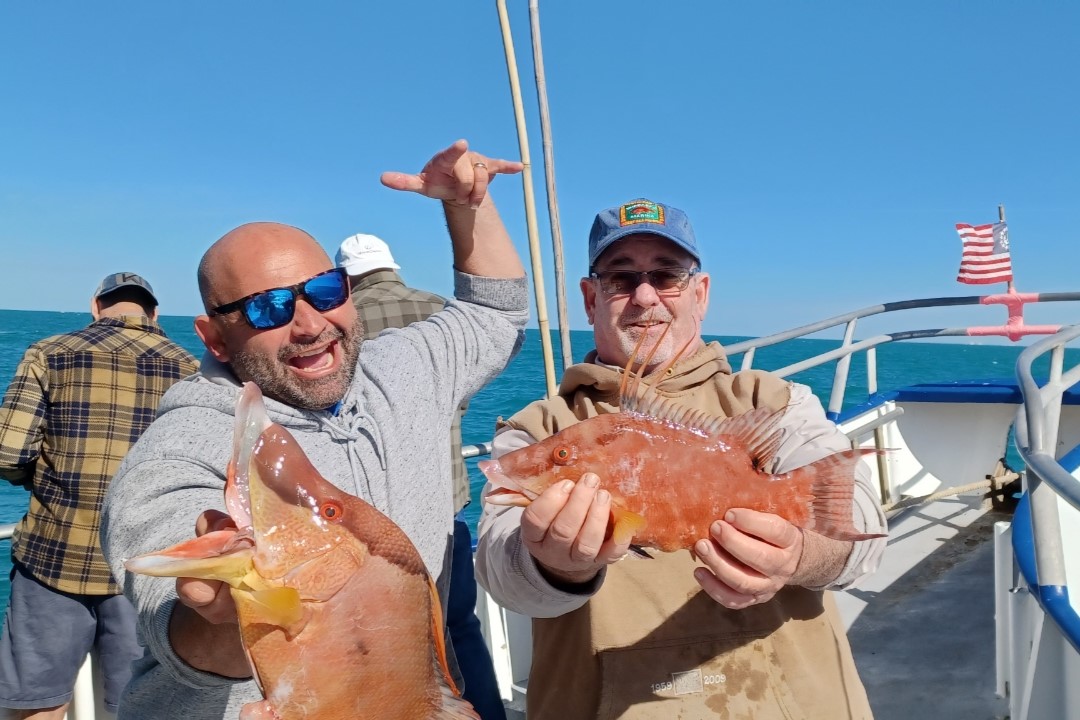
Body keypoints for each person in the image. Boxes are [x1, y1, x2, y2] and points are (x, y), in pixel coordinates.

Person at [99, 139, 528, 719]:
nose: (309, 324)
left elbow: (494, 312)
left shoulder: (402, 370)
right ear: (214, 337)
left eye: (326, 291)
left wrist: (466, 206)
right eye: (268, 308)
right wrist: (221, 614)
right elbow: (173, 627)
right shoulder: (185, 447)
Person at [474, 198, 888, 719]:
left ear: (701, 292)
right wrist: (553, 564)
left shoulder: (773, 403)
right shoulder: (537, 429)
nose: (644, 297)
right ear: (589, 297)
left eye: (666, 275)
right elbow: (499, 568)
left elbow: (864, 530)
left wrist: (799, 555)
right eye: (620, 279)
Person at [0, 273, 199, 719]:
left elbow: (8, 451)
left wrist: (40, 480)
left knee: (39, 702)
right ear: (154, 313)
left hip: (53, 558)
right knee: (138, 704)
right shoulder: (189, 368)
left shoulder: (49, 353)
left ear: (96, 306)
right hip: (147, 567)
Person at [336, 233, 506, 719]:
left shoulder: (341, 324)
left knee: (383, 643)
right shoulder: (439, 311)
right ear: (393, 266)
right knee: (457, 623)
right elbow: (463, 395)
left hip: (369, 519)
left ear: (343, 279)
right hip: (443, 499)